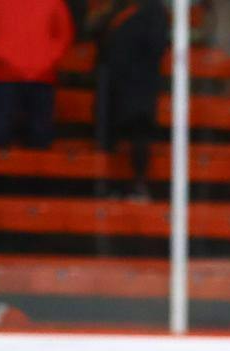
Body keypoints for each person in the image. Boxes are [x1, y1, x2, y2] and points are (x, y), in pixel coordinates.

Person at [87, 0, 167, 201]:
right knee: (108, 138)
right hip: (112, 86)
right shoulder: (114, 8)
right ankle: (108, 186)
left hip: (139, 86)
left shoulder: (153, 10)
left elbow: (156, 45)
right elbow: (96, 36)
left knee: (138, 136)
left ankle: (139, 185)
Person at [0, 0, 73, 151]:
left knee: (39, 136)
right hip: (6, 77)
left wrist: (46, 60)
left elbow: (64, 34)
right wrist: (3, 56)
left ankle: (35, 174)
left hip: (38, 78)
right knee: (0, 135)